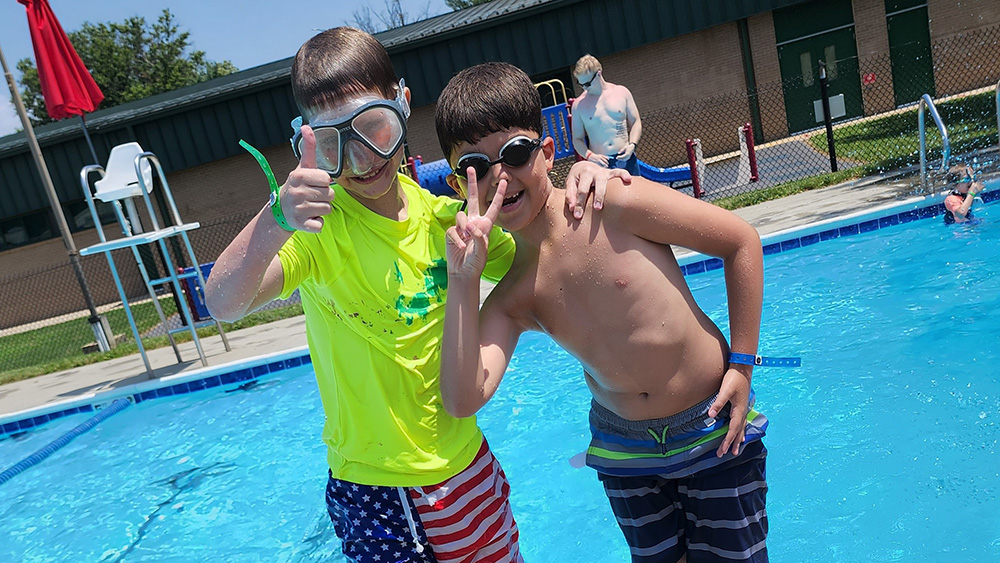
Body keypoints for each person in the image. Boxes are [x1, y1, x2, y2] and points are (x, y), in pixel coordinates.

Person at [204, 27, 627, 563]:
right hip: (377, 488)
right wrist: (275, 219)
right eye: (336, 144)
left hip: (468, 468)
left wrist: (585, 175)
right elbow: (223, 303)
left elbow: (549, 252)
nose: (362, 160)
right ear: (309, 142)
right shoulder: (319, 231)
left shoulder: (447, 220)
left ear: (402, 105)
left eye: (375, 128)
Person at [436, 62, 770, 562]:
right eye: (476, 167)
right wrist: (463, 281)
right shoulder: (513, 297)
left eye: (515, 153)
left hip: (712, 424)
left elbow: (739, 241)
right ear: (459, 184)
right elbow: (463, 398)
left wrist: (742, 364)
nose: (500, 176)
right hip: (625, 452)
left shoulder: (607, 201)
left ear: (548, 152)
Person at [571, 54, 643, 177]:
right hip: (600, 164)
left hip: (626, 159)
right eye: (580, 84)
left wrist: (632, 145)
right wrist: (590, 156)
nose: (584, 88)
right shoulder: (579, 105)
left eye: (587, 84)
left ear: (599, 74)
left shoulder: (621, 92)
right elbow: (577, 139)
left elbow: (636, 122)